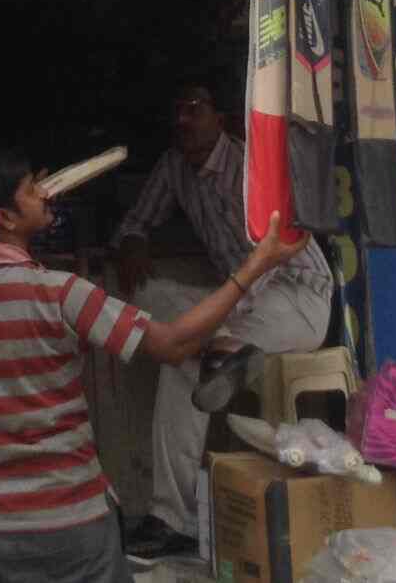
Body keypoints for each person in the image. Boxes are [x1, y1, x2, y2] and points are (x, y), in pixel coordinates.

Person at [0, 146, 299, 583]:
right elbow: (174, 345)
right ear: (7, 218)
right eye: (31, 189)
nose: (45, 193)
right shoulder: (62, 295)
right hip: (73, 527)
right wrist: (254, 267)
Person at [112, 81, 337, 562]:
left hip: (297, 296)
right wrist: (132, 242)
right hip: (238, 302)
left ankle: (222, 350)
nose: (185, 119)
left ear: (220, 117)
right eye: (178, 110)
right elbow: (135, 221)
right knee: (167, 332)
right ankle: (171, 518)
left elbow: (287, 249)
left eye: (196, 108)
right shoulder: (174, 166)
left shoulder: (249, 161)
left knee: (190, 350)